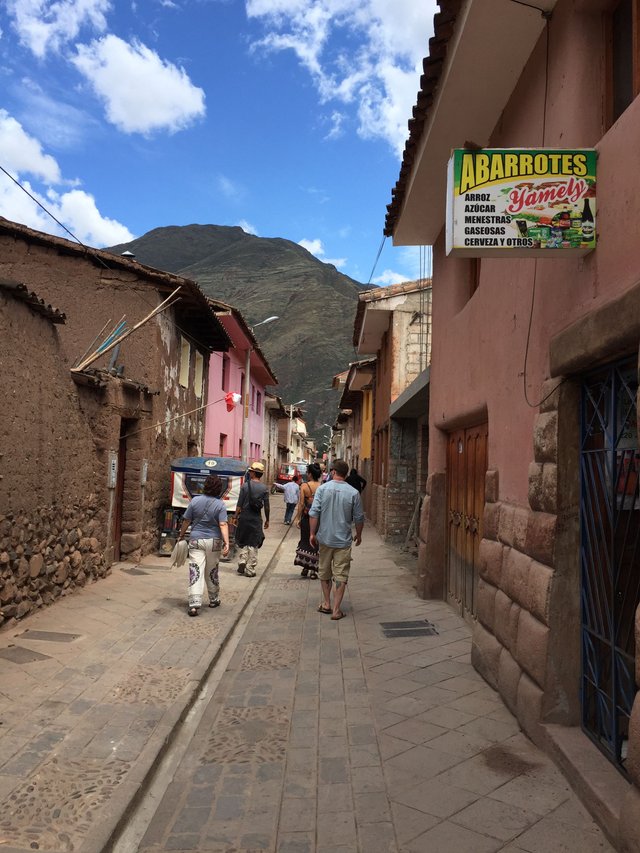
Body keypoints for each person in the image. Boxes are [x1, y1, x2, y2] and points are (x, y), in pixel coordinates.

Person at [309, 458, 364, 621]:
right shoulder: (353, 492)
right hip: (343, 542)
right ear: (345, 474)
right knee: (341, 574)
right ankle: (336, 610)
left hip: (325, 539)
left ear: (333, 472)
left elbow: (314, 512)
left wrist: (312, 533)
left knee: (324, 571)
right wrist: (359, 535)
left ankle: (326, 603)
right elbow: (359, 518)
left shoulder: (322, 489)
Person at [178, 474, 229, 617]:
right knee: (212, 570)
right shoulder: (220, 505)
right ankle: (213, 598)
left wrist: (181, 535)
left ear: (205, 486)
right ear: (219, 489)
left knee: (195, 569)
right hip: (214, 541)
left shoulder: (195, 501)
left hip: (196, 540)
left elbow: (187, 521)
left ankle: (194, 604)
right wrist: (227, 542)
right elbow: (223, 524)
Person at [234, 461, 270, 577]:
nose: (249, 473)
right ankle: (250, 568)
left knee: (244, 539)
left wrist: (235, 516)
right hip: (255, 519)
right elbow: (267, 506)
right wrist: (267, 520)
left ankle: (242, 560)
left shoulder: (245, 486)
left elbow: (239, 504)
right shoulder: (264, 488)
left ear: (254, 473)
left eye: (250, 472)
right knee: (253, 542)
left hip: (244, 517)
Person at [293, 462, 322, 578]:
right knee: (315, 543)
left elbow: (300, 504)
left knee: (305, 541)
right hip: (318, 519)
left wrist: (298, 518)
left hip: (306, 518)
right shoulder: (322, 486)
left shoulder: (304, 486)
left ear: (310, 474)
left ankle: (305, 566)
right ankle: (313, 571)